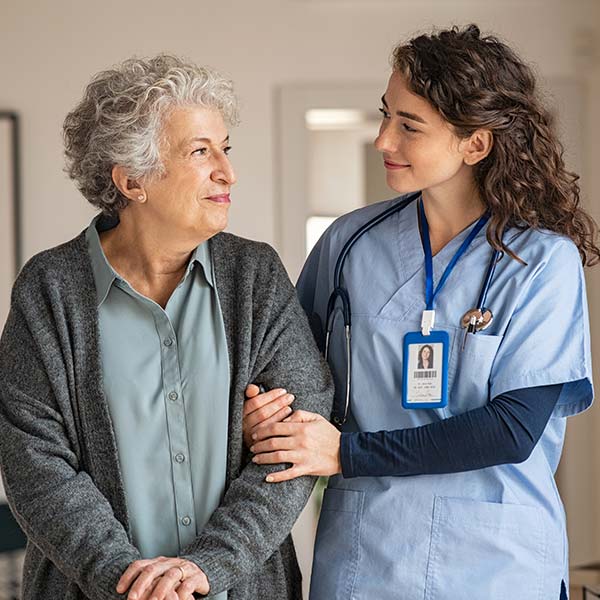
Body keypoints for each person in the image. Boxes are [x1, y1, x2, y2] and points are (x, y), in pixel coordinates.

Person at [244, 25, 597, 599]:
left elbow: (512, 430)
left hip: (496, 567)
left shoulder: (540, 262)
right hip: (368, 558)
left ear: (475, 145)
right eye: (386, 116)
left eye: (409, 126)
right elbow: (289, 372)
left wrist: (346, 453)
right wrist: (263, 414)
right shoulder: (348, 244)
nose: (383, 139)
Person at [0, 55, 332, 600]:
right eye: (200, 152)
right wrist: (131, 582)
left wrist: (208, 567)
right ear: (132, 180)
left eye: (225, 148)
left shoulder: (255, 276)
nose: (227, 172)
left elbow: (298, 438)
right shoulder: (50, 289)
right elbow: (35, 465)